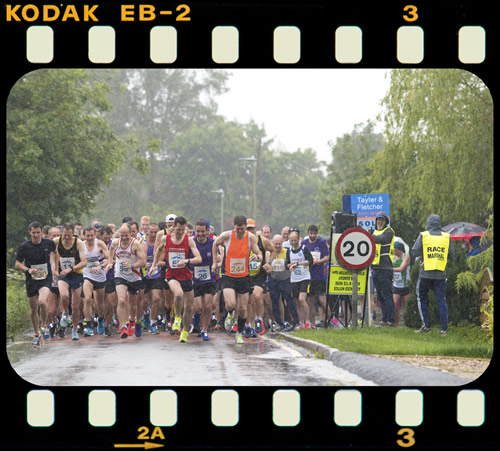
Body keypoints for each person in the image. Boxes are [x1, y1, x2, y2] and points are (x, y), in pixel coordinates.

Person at [211, 215, 262, 344]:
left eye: (242, 229)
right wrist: (214, 262)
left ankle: (239, 333)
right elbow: (215, 243)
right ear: (234, 226)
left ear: (245, 227)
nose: (240, 231)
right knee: (230, 304)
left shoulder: (250, 238)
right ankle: (229, 314)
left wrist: (257, 257)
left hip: (243, 277)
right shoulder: (227, 236)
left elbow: (259, 253)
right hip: (228, 275)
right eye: (238, 229)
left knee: (243, 308)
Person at [150, 216, 202, 343]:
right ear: (173, 227)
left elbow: (198, 258)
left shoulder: (188, 240)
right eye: (178, 230)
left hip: (186, 275)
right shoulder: (165, 238)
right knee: (178, 294)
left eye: (183, 230)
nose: (180, 232)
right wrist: (153, 265)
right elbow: (158, 251)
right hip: (171, 274)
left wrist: (186, 260)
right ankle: (177, 317)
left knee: (189, 308)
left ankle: (184, 331)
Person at [15, 221, 59, 347]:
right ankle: (36, 334)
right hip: (31, 278)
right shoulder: (24, 246)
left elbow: (55, 253)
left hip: (45, 277)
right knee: (34, 309)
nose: (36, 235)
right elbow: (18, 263)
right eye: (33, 233)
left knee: (42, 302)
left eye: (38, 232)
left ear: (41, 232)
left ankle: (44, 326)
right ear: (30, 232)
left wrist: (55, 268)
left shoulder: (48, 243)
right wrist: (28, 270)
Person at [412, 214, 454, 335]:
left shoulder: (424, 236)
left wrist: (423, 254)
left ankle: (426, 326)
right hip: (441, 274)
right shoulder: (446, 237)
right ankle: (444, 329)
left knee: (421, 298)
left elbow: (414, 251)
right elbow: (451, 254)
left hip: (425, 273)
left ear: (428, 223)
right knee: (441, 300)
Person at [106, 222, 147, 339]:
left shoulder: (136, 245)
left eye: (126, 236)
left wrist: (132, 265)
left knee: (133, 305)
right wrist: (110, 262)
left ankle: (132, 321)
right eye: (122, 235)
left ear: (131, 234)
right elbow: (111, 250)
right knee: (122, 300)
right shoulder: (115, 242)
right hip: (120, 275)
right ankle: (123, 326)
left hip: (134, 276)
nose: (123, 238)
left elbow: (143, 262)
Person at [54, 223, 88, 341]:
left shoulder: (78, 243)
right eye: (65, 235)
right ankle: (65, 313)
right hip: (63, 275)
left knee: (75, 306)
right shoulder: (56, 241)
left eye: (69, 235)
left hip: (76, 275)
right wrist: (54, 269)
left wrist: (71, 268)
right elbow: (50, 254)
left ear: (73, 234)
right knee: (64, 295)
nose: (67, 238)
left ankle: (74, 330)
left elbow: (84, 262)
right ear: (62, 233)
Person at [246, 218, 275, 336]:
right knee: (249, 300)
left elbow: (273, 251)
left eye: (251, 228)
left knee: (257, 296)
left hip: (260, 273)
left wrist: (269, 263)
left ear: (255, 228)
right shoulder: (242, 241)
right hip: (246, 273)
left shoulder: (262, 241)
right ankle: (250, 323)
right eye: (248, 228)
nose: (250, 230)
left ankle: (259, 319)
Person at [190, 219, 217, 341]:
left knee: (208, 306)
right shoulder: (191, 243)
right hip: (195, 279)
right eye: (197, 231)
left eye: (202, 231)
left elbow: (221, 259)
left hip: (209, 279)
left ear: (207, 231)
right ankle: (196, 315)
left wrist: (216, 264)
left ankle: (204, 330)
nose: (200, 234)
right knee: (198, 307)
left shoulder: (213, 243)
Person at [81, 226, 109, 336]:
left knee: (99, 304)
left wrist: (100, 266)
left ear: (95, 235)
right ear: (84, 235)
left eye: (92, 235)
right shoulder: (81, 245)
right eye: (87, 236)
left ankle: (101, 319)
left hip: (100, 276)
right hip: (87, 275)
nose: (90, 238)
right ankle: (88, 325)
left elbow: (108, 259)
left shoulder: (100, 244)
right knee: (87, 299)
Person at [268, 234, 300, 331]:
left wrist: (290, 265)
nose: (277, 246)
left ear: (282, 243)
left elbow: (292, 263)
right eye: (275, 244)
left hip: (285, 280)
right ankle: (279, 323)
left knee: (289, 301)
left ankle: (296, 322)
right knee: (274, 302)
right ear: (272, 243)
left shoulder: (287, 252)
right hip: (273, 279)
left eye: (279, 244)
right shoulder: (269, 253)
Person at [286, 229, 314, 329]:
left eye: (295, 240)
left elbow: (310, 261)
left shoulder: (304, 248)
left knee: (302, 299)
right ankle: (301, 323)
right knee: (297, 301)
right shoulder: (289, 250)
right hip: (294, 278)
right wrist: (290, 266)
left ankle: (307, 321)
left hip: (304, 277)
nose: (293, 243)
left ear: (299, 239)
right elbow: (287, 264)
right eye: (291, 240)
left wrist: (298, 263)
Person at [371, 211, 395, 327]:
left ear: (385, 222)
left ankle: (390, 320)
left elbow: (382, 240)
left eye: (382, 220)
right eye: (378, 220)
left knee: (386, 295)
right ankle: (384, 319)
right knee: (379, 296)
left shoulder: (389, 232)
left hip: (385, 268)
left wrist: (369, 236)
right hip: (375, 268)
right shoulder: (374, 232)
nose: (379, 222)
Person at [302, 225, 329, 327]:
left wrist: (318, 261)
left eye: (314, 233)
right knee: (309, 301)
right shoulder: (304, 244)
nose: (312, 235)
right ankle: (312, 324)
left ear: (317, 233)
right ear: (308, 233)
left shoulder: (321, 243)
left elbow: (326, 257)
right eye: (311, 233)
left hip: (319, 276)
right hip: (308, 277)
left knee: (322, 301)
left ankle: (331, 320)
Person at [141, 223, 164, 334]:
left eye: (156, 232)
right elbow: (140, 258)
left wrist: (156, 264)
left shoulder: (160, 244)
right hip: (144, 275)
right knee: (144, 301)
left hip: (156, 274)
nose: (154, 234)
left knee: (156, 299)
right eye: (152, 232)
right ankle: (145, 314)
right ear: (147, 232)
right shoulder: (143, 243)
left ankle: (153, 323)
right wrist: (143, 264)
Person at [392, 241, 411, 327]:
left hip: (406, 285)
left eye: (396, 250)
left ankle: (408, 323)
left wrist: (389, 269)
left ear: (400, 250)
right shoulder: (393, 257)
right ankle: (396, 324)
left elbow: (401, 268)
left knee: (407, 306)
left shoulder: (406, 257)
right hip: (396, 285)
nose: (394, 252)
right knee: (394, 305)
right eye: (393, 250)